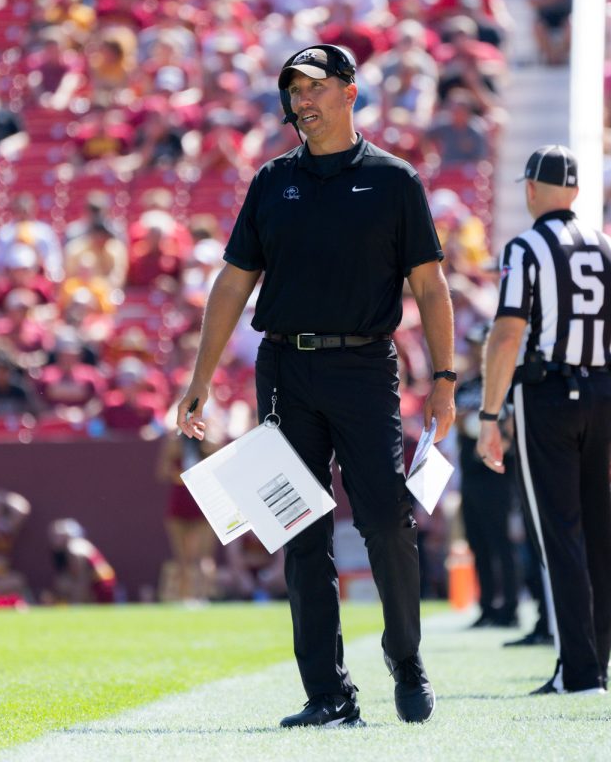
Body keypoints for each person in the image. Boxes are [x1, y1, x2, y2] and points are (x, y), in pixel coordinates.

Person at [176, 45, 453, 727]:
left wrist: (444, 381)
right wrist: (200, 379)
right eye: (292, 90)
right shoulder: (271, 181)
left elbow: (431, 285)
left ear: (351, 92)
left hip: (364, 367)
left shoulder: (394, 180)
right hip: (286, 371)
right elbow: (234, 282)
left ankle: (406, 657)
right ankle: (328, 694)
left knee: (387, 519)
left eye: (314, 88)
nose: (302, 101)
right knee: (297, 529)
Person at [476, 144, 611, 695]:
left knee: (559, 534)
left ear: (530, 189)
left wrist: (488, 414)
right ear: (575, 192)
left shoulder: (526, 248)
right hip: (602, 391)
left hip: (548, 393)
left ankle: (578, 671)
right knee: (598, 530)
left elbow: (506, 335)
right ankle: (593, 662)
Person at [454, 322, 519, 628]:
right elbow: (454, 421)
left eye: (481, 343)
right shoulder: (466, 386)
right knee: (477, 542)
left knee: (500, 542)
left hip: (497, 474)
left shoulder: (502, 384)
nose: (477, 350)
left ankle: (510, 607)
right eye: (474, 344)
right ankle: (487, 606)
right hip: (470, 472)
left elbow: (510, 431)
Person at [156, 432, 217, 604]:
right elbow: (162, 472)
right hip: (180, 502)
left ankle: (202, 596)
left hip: (201, 502)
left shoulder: (208, 443)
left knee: (202, 557)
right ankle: (186, 598)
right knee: (183, 558)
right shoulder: (175, 443)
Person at [44, 518, 116, 605]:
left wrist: (76, 603)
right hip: (95, 583)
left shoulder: (75, 548)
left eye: (59, 535)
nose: (54, 538)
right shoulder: (67, 550)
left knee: (65, 583)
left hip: (100, 585)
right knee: (62, 582)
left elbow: (81, 578)